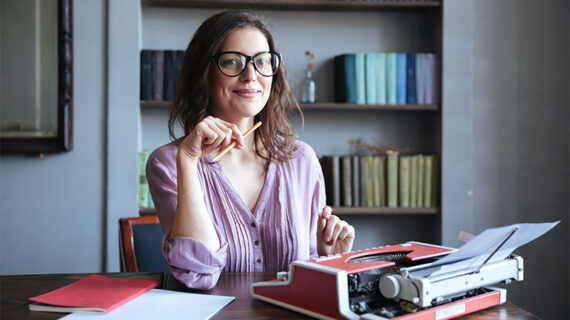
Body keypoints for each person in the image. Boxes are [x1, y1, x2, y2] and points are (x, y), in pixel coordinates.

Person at [146, 10, 355, 290]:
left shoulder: (302, 160)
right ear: (204, 73)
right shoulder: (169, 162)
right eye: (232, 62)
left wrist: (329, 259)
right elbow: (198, 275)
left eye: (262, 61)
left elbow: (308, 279)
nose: (250, 75)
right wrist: (188, 160)